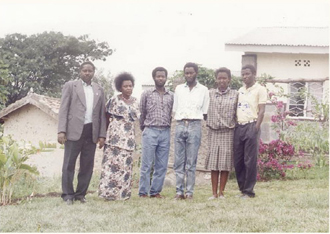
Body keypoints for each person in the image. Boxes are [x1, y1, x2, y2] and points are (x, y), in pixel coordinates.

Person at [58, 61, 106, 205]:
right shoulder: (71, 86)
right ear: (80, 71)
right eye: (84, 70)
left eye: (90, 71)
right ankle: (68, 195)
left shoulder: (99, 89)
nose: (87, 73)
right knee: (69, 164)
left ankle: (80, 194)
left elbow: (102, 114)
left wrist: (102, 135)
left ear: (93, 72)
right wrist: (61, 130)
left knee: (87, 165)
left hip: (91, 131)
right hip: (73, 130)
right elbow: (63, 109)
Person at [98, 72, 139, 201]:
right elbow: (105, 117)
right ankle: (109, 194)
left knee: (125, 167)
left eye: (130, 86)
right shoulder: (114, 100)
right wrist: (103, 136)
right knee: (111, 165)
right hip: (114, 137)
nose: (128, 88)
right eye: (125, 86)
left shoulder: (136, 102)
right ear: (120, 87)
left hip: (128, 138)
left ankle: (123, 194)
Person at [173, 62, 210, 200]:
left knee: (191, 161)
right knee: (178, 160)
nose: (189, 75)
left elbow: (205, 111)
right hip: (180, 124)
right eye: (186, 73)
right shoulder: (178, 89)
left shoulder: (203, 90)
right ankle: (179, 191)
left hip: (195, 125)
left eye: (191, 72)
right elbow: (176, 109)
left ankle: (189, 192)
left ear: (196, 73)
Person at [138, 67, 174, 198]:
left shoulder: (171, 95)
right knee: (146, 164)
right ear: (154, 77)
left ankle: (155, 191)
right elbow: (142, 112)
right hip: (150, 130)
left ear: (166, 78)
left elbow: (170, 114)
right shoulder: (147, 94)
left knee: (162, 165)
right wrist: (145, 129)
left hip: (165, 131)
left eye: (163, 76)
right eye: (158, 76)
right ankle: (143, 192)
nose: (160, 78)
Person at [234, 64, 267, 199]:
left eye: (247, 74)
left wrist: (256, 128)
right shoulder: (240, 90)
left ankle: (249, 191)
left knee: (250, 160)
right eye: (243, 74)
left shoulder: (260, 89)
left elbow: (262, 110)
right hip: (239, 127)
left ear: (254, 74)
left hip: (251, 126)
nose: (245, 76)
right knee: (238, 160)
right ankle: (242, 189)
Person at [205, 67, 238, 200]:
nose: (222, 80)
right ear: (216, 79)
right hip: (213, 131)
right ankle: (213, 193)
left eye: (224, 78)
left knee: (224, 164)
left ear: (229, 79)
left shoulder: (235, 94)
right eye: (219, 78)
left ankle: (222, 192)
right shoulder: (210, 93)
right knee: (214, 163)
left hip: (228, 132)